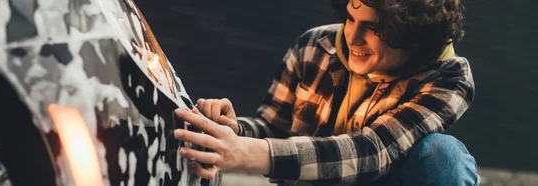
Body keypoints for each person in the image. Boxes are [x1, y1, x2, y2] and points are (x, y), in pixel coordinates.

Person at [173, 0, 480, 185]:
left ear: (414, 34)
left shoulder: (448, 77)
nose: (353, 37)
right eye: (350, 18)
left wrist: (245, 153)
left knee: (444, 155)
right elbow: (274, 127)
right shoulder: (314, 45)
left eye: (374, 28)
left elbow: (373, 151)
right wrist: (234, 131)